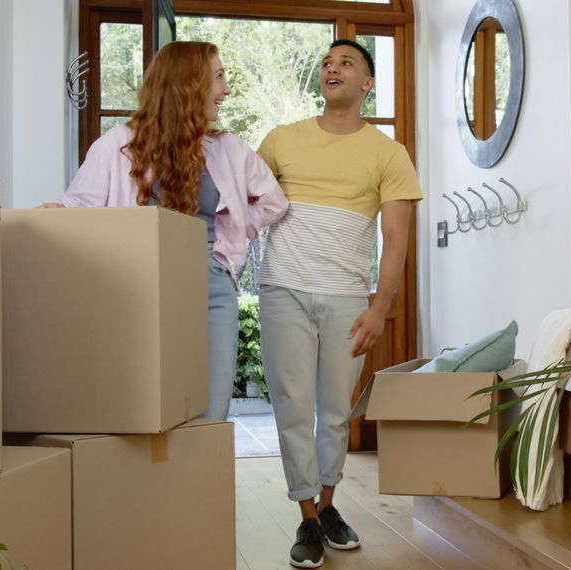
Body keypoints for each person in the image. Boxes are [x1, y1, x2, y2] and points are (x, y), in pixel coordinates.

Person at [41, 41, 289, 421]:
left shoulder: (228, 150)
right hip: (140, 288)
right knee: (146, 408)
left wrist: (234, 225)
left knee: (210, 410)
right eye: (219, 77)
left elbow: (274, 202)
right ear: (190, 83)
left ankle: (202, 479)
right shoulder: (117, 145)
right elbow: (80, 204)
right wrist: (55, 212)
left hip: (212, 288)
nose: (226, 90)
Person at [255, 39, 422, 568]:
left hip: (347, 298)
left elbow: (395, 240)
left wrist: (379, 307)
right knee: (291, 411)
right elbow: (247, 204)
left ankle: (328, 507)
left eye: (347, 63)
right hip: (283, 289)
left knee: (334, 413)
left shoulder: (388, 153)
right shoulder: (281, 140)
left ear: (366, 85)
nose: (333, 68)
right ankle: (306, 518)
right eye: (328, 63)